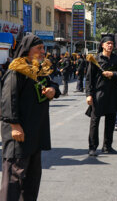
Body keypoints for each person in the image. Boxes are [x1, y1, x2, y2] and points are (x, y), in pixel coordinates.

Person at [0, 35, 61, 200]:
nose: (43, 52)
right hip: (19, 133)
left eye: (43, 48)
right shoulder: (16, 71)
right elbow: (8, 100)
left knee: (32, 179)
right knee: (14, 177)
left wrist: (53, 90)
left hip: (35, 133)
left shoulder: (37, 70)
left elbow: (52, 83)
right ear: (27, 51)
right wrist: (14, 125)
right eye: (39, 48)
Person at [85, 35, 117, 156]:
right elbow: (89, 79)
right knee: (95, 121)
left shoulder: (116, 59)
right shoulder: (95, 59)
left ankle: (107, 146)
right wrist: (89, 94)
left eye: (112, 43)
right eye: (108, 43)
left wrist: (112, 73)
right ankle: (92, 147)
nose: (110, 45)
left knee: (111, 120)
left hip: (113, 94)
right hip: (99, 94)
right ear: (102, 45)